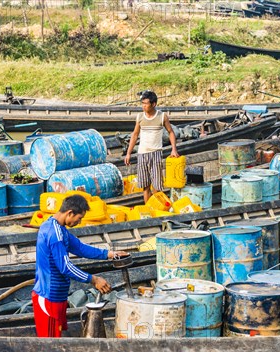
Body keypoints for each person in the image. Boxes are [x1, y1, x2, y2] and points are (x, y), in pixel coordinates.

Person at [33, 194, 129, 338]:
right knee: (50, 344)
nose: (79, 222)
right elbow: (65, 266)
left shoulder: (59, 229)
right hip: (48, 296)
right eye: (79, 218)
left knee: (55, 340)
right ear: (70, 213)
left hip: (58, 296)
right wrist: (94, 280)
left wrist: (110, 254)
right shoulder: (54, 234)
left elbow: (80, 248)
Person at [124, 90, 179, 203]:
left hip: (156, 153)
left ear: (153, 104)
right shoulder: (140, 117)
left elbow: (171, 132)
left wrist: (174, 149)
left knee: (157, 186)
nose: (143, 106)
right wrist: (128, 153)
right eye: (142, 103)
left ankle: (157, 208)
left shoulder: (162, 116)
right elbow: (134, 135)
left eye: (146, 103)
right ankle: (149, 209)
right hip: (142, 154)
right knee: (145, 186)